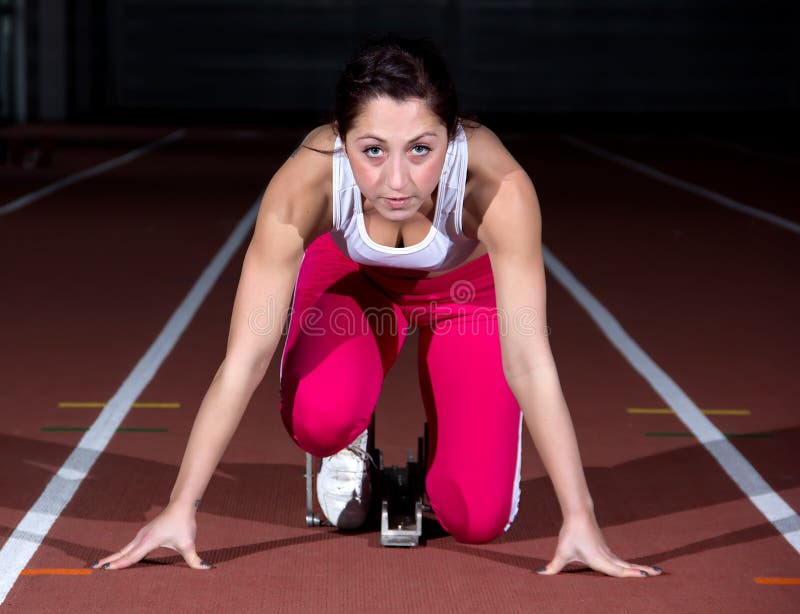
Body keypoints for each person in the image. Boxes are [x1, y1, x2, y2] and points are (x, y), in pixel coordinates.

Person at [91, 35, 662, 578]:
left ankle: (449, 455)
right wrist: (180, 506)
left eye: (420, 149)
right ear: (341, 139)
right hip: (354, 287)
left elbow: (530, 363)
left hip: (466, 298)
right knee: (319, 417)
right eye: (371, 151)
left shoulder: (497, 186)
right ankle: (350, 439)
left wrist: (579, 517)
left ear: (452, 137)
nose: (396, 180)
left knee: (476, 519)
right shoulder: (306, 184)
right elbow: (245, 357)